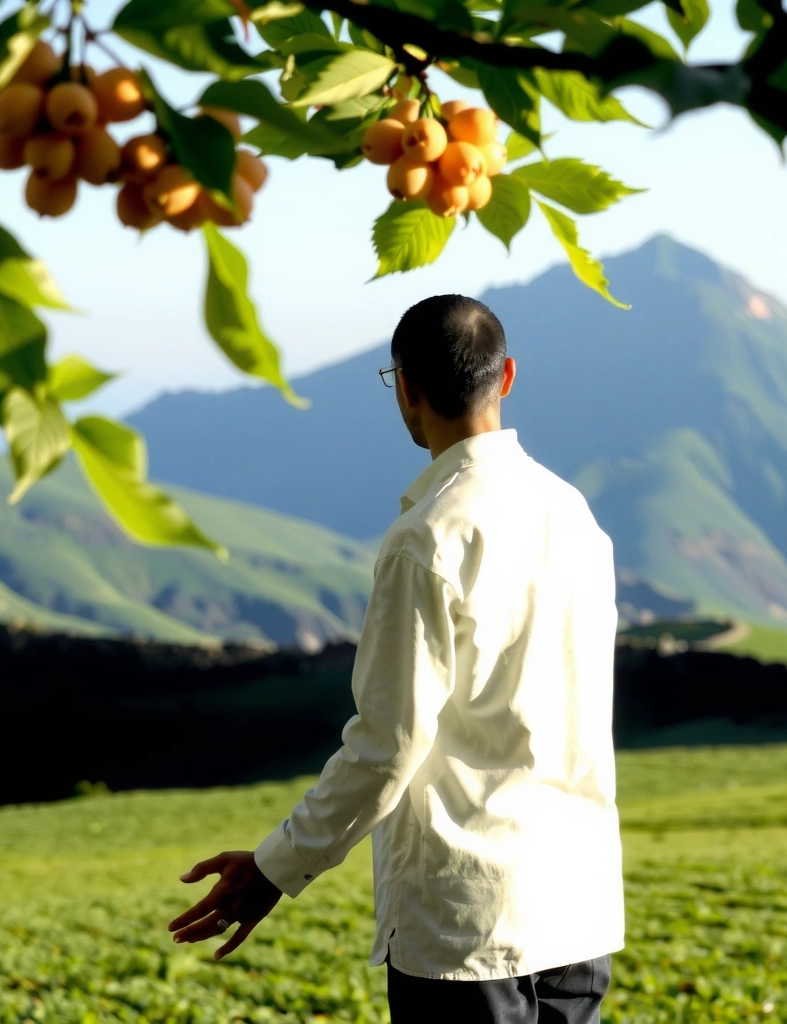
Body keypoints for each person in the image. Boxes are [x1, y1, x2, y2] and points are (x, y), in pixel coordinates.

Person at [168, 294, 625, 1023]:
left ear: (406, 388)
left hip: (468, 920)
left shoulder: (428, 537)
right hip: (577, 906)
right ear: (507, 377)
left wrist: (273, 869)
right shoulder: (574, 514)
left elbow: (389, 744)